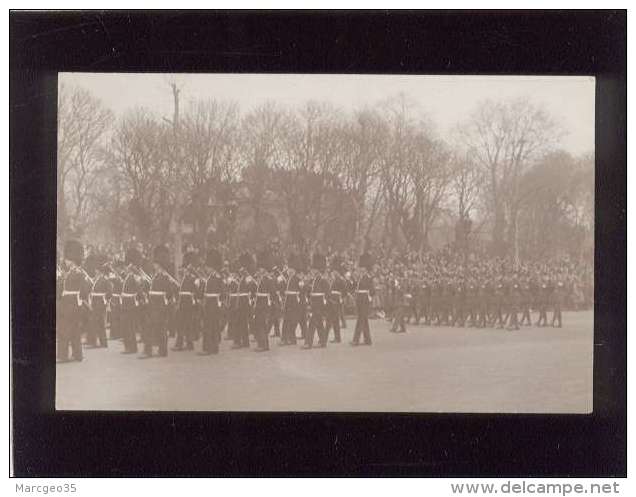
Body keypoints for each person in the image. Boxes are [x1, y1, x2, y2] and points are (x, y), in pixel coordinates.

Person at [57, 239, 92, 363]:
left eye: (66, 259)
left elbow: (87, 285)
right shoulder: (68, 273)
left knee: (67, 329)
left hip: (73, 304)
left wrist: (80, 299)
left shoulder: (79, 272)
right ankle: (77, 355)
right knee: (72, 330)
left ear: (71, 260)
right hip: (66, 304)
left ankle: (65, 355)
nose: (65, 261)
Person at [143, 245, 179, 358]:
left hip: (160, 306)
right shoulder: (157, 275)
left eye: (156, 264)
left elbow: (170, 292)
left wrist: (166, 302)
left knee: (161, 328)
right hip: (154, 305)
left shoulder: (165, 277)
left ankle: (162, 351)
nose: (154, 266)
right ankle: (153, 350)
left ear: (159, 265)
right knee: (153, 327)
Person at [173, 251, 200, 351]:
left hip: (188, 303)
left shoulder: (193, 278)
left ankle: (185, 344)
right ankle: (186, 343)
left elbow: (196, 291)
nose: (183, 270)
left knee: (186, 324)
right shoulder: (184, 278)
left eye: (185, 268)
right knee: (182, 323)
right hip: (183, 303)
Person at [201, 248, 225, 355]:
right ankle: (212, 347)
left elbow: (222, 292)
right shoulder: (210, 277)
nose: (206, 269)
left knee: (211, 326)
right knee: (210, 325)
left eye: (207, 267)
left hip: (214, 304)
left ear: (212, 267)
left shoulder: (217, 277)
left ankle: (210, 348)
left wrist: (219, 303)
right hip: (210, 303)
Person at [304, 253, 330, 349]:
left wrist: (324, 304)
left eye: (314, 269)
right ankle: (323, 342)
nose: (312, 270)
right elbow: (311, 292)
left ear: (318, 270)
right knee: (319, 323)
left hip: (319, 304)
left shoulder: (322, 280)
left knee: (312, 323)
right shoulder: (314, 279)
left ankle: (308, 343)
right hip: (315, 303)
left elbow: (327, 293)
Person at [86, 254, 112, 348]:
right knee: (97, 323)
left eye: (97, 270)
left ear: (100, 271)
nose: (95, 271)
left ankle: (99, 342)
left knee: (98, 323)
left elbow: (109, 292)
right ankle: (100, 343)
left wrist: (104, 300)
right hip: (96, 303)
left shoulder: (105, 280)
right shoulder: (97, 280)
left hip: (100, 304)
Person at [252, 250, 274, 352]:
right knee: (259, 323)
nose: (260, 270)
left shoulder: (267, 279)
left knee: (262, 324)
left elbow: (271, 292)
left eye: (261, 269)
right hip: (259, 303)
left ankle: (264, 345)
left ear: (264, 269)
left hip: (264, 304)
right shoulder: (260, 279)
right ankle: (262, 344)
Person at [351, 252, 375, 346]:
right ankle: (368, 339)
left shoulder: (369, 278)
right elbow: (356, 288)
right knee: (364, 319)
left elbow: (372, 291)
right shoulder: (360, 278)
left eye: (362, 268)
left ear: (365, 269)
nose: (360, 269)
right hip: (360, 300)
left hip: (365, 300)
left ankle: (356, 340)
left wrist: (368, 297)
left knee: (360, 319)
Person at [281, 253, 303, 346]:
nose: (289, 271)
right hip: (288, 302)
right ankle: (286, 339)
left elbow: (302, 290)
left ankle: (291, 339)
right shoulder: (287, 278)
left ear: (294, 270)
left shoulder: (297, 279)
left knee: (292, 321)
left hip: (294, 302)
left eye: (291, 269)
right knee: (286, 320)